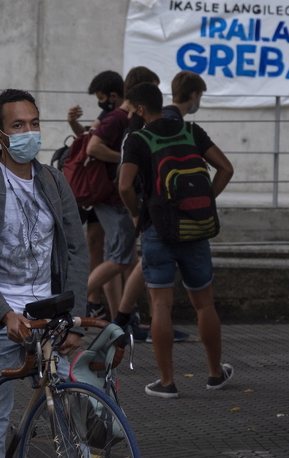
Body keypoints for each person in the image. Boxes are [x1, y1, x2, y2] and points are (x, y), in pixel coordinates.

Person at [0, 89, 88, 455]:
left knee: (71, 407)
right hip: (0, 320)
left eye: (33, 123)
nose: (28, 132)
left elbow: (77, 250)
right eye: (17, 125)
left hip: (47, 317)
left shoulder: (53, 180)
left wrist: (75, 320)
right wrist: (4, 314)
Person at [119, 83, 234, 399]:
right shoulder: (193, 132)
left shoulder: (139, 140)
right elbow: (226, 168)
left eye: (133, 109)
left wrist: (136, 215)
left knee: (160, 305)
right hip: (196, 229)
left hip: (158, 229)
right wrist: (203, 200)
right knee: (204, 303)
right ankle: (214, 374)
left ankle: (167, 382)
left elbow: (125, 186)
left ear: (141, 110)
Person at [84, 68, 160, 320]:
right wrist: (129, 161)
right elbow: (93, 147)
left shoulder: (125, 117)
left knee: (120, 258)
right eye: (153, 88)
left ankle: (119, 317)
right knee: (119, 260)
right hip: (114, 200)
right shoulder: (118, 118)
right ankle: (75, 302)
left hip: (115, 199)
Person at [67, 70, 125, 319]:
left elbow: (92, 144)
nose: (100, 103)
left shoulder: (121, 117)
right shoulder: (111, 116)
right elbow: (89, 140)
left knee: (117, 256)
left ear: (113, 95)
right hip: (102, 192)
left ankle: (117, 312)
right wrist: (72, 123)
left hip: (110, 192)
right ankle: (99, 305)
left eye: (102, 98)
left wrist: (124, 161)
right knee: (107, 250)